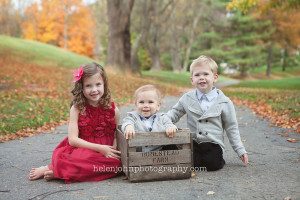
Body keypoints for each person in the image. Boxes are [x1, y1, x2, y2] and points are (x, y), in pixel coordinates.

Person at [29, 63, 122, 183]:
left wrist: (112, 150)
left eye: (98, 84)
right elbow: (73, 140)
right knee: (81, 158)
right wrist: (100, 148)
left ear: (105, 84)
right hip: (83, 147)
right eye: (88, 86)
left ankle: (62, 172)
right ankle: (53, 169)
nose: (94, 90)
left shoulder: (113, 110)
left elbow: (115, 135)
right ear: (81, 88)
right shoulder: (77, 108)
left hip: (105, 152)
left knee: (117, 166)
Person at [164, 55, 248, 171]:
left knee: (212, 164)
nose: (201, 78)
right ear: (192, 80)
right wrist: (167, 124)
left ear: (215, 77)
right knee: (192, 162)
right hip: (193, 143)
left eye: (205, 74)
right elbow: (173, 113)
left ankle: (216, 159)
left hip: (213, 144)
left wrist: (240, 150)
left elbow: (231, 127)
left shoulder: (224, 102)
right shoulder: (187, 98)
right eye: (197, 75)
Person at [122, 85, 177, 152]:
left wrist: (170, 128)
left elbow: (169, 124)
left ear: (158, 106)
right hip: (138, 153)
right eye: (141, 102)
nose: (145, 105)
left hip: (159, 152)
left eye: (150, 102)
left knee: (172, 147)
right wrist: (128, 126)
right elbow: (127, 122)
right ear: (136, 104)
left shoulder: (162, 117)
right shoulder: (133, 116)